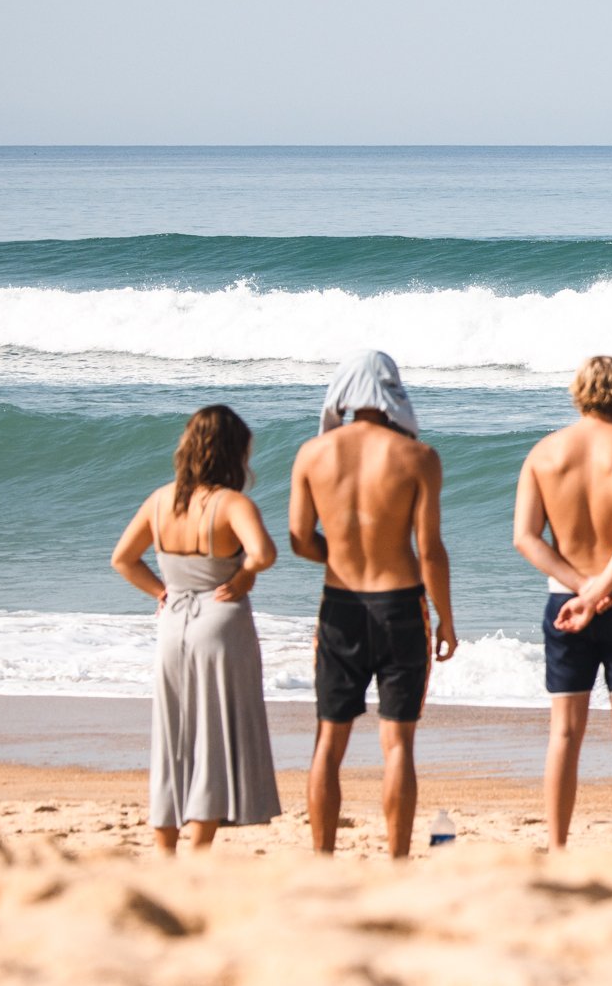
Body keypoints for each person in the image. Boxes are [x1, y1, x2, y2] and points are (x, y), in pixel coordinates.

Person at [289, 350, 458, 858]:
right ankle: (398, 860)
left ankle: (322, 858)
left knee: (329, 740)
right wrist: (446, 620)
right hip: (401, 607)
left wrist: (339, 555)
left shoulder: (312, 454)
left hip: (340, 606)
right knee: (398, 743)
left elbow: (299, 538)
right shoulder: (419, 457)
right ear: (391, 393)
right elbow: (429, 550)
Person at [109, 405, 282, 855]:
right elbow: (263, 553)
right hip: (220, 621)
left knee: (173, 734)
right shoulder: (231, 504)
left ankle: (165, 849)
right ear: (233, 451)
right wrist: (244, 576)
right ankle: (199, 849)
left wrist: (161, 592)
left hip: (173, 622)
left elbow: (123, 559)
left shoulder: (160, 501)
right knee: (213, 735)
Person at [511, 356, 612, 854]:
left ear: (577, 392)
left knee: (564, 733)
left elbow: (525, 538)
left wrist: (582, 590)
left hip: (565, 602)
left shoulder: (544, 454)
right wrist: (600, 592)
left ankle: (557, 848)